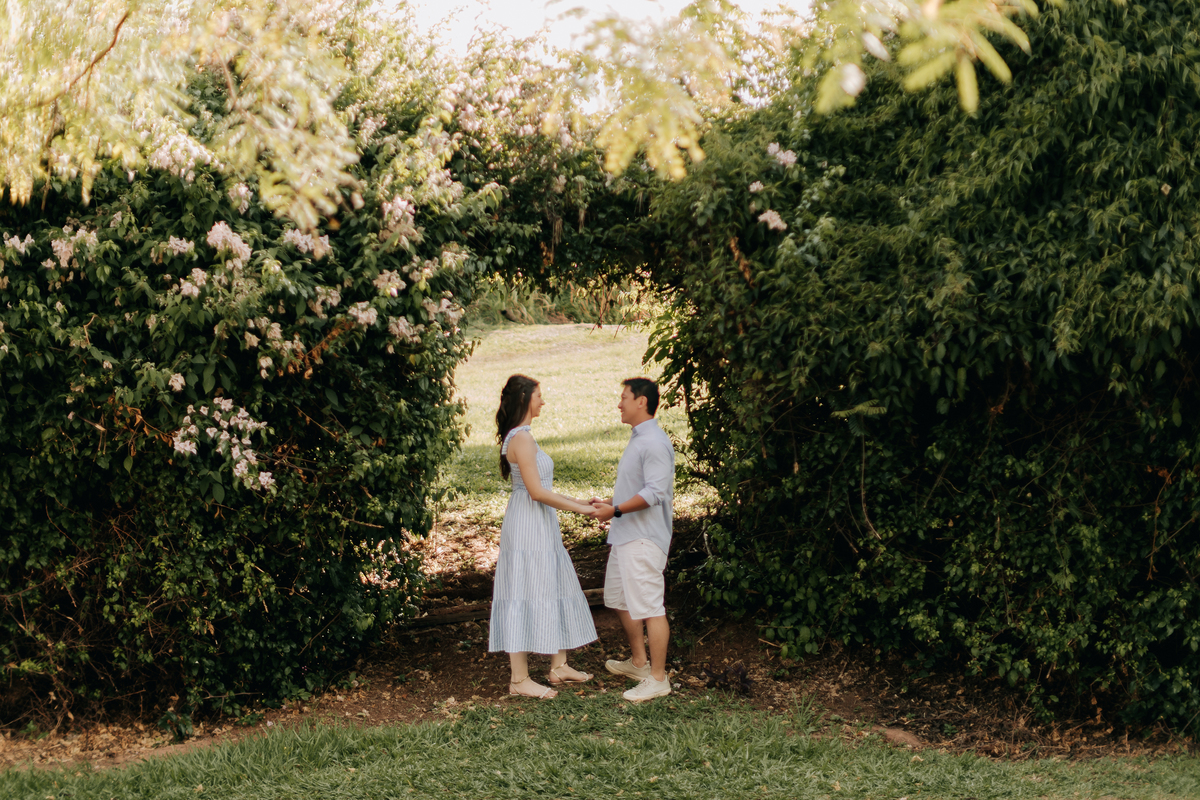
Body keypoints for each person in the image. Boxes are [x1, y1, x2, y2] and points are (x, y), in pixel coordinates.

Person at [489, 374, 599, 699]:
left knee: (552, 583)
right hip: (528, 523)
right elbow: (536, 492)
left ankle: (559, 665)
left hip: (540, 521)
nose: (543, 401)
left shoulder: (523, 436)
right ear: (525, 399)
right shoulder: (521, 439)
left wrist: (581, 501)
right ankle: (519, 679)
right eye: (539, 396)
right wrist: (580, 510)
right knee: (525, 588)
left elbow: (543, 488)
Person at [590, 377, 675, 702]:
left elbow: (654, 493)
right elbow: (635, 489)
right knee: (618, 599)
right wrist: (609, 506)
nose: (619, 404)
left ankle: (658, 679)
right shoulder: (639, 438)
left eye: (624, 397)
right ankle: (639, 663)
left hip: (643, 539)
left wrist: (615, 510)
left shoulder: (654, 442)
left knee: (651, 608)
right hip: (625, 535)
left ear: (642, 401)